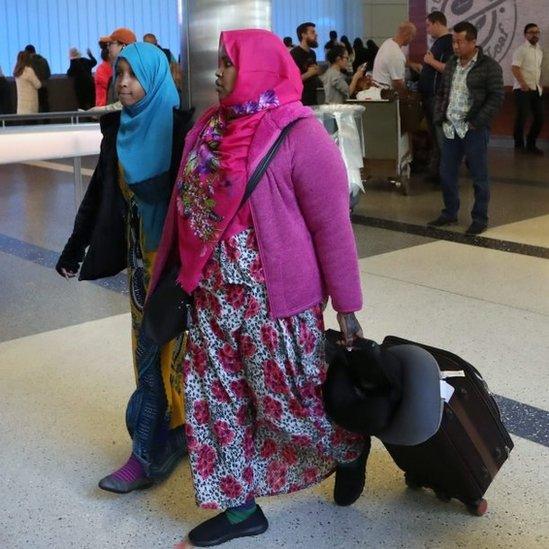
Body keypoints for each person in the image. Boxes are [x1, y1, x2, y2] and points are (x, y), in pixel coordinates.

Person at [150, 28, 368, 548]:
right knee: (213, 402)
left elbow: (332, 227)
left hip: (276, 304)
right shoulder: (206, 127)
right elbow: (187, 208)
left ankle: (350, 446)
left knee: (287, 401)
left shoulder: (300, 133)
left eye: (227, 63)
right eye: (220, 63)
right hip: (211, 298)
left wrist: (348, 307)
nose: (217, 73)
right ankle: (239, 507)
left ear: (258, 68)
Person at [55, 43, 194, 493]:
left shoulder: (181, 131)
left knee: (171, 354)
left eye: (134, 75)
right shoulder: (118, 129)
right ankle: (159, 439)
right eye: (121, 74)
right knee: (147, 351)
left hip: (177, 266)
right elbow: (100, 192)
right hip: (140, 265)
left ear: (155, 78)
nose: (125, 84)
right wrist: (76, 247)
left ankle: (159, 445)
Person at [428, 22, 504, 236]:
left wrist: (477, 122)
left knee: (479, 176)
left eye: (460, 42)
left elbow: (497, 97)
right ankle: (450, 212)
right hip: (450, 128)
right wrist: (439, 116)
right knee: (447, 173)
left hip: (473, 129)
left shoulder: (489, 66)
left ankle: (480, 218)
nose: (455, 46)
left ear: (473, 42)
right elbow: (443, 90)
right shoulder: (452, 63)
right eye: (453, 41)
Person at [418, 11, 454, 181]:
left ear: (437, 23)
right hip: (430, 97)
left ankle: (445, 174)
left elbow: (450, 69)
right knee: (435, 138)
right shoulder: (439, 43)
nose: (427, 30)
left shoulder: (448, 43)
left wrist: (430, 62)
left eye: (428, 26)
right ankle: (437, 173)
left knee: (441, 138)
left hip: (437, 98)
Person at [511, 23, 544, 155]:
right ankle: (519, 145)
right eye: (531, 32)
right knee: (522, 117)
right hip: (522, 89)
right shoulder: (521, 50)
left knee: (540, 118)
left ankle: (531, 143)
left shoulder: (539, 50)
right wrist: (523, 83)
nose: (535, 34)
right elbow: (515, 68)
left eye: (537, 32)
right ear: (525, 34)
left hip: (536, 89)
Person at [372, 22, 420, 93]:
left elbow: (393, 61)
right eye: (412, 36)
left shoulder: (388, 42)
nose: (412, 40)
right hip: (386, 95)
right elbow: (398, 84)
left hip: (377, 90)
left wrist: (411, 64)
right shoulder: (396, 54)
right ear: (407, 35)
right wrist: (408, 92)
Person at [290, 22, 322, 106]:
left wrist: (317, 71)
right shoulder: (294, 54)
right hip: (301, 102)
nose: (316, 35)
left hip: (313, 99)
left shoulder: (312, 53)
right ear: (303, 35)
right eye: (312, 32)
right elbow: (292, 81)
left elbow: (314, 72)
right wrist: (309, 73)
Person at [103, 27, 137, 104]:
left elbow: (131, 101)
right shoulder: (115, 72)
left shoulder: (135, 70)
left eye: (111, 44)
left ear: (123, 46)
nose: (108, 47)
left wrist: (101, 110)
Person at [24, 44, 50, 112]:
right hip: (43, 87)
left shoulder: (28, 62)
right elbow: (48, 74)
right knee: (45, 107)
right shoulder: (44, 60)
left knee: (33, 109)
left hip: (33, 88)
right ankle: (47, 122)